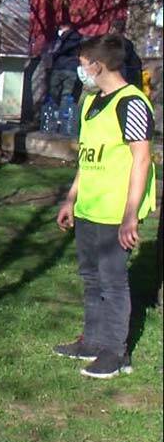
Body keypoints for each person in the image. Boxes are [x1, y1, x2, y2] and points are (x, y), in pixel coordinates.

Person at [53, 34, 156, 378]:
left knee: (113, 283)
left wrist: (131, 215)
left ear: (97, 65)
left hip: (116, 211)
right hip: (89, 209)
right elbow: (87, 158)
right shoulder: (90, 103)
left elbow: (141, 159)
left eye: (83, 64)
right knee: (91, 278)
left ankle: (115, 352)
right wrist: (71, 198)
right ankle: (92, 342)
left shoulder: (133, 102)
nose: (80, 70)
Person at [48, 21, 84, 104]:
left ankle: (55, 113)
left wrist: (53, 54)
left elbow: (59, 51)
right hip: (72, 68)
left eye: (60, 28)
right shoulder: (79, 38)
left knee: (54, 94)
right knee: (67, 95)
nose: (59, 30)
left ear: (67, 28)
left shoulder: (62, 39)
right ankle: (64, 113)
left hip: (59, 67)